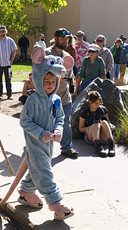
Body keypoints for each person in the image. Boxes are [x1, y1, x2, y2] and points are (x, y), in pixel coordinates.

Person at [18, 47, 74, 220]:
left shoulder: (56, 99)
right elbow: (24, 121)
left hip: (49, 145)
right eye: (46, 80)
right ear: (37, 78)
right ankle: (56, 202)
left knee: (37, 169)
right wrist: (41, 133)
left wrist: (58, 130)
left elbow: (60, 118)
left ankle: (25, 191)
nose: (50, 84)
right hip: (35, 143)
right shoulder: (33, 100)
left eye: (53, 81)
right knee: (44, 170)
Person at [45, 28, 79, 158]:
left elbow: (71, 74)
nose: (65, 41)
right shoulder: (46, 53)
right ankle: (43, 150)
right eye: (62, 38)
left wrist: (73, 87)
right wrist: (56, 76)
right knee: (46, 124)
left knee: (65, 123)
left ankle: (67, 147)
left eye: (67, 39)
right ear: (55, 38)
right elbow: (39, 73)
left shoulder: (67, 56)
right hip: (48, 97)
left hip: (64, 97)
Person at [79, 91, 115, 157]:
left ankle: (111, 145)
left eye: (99, 103)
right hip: (91, 137)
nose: (98, 105)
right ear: (90, 102)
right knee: (96, 124)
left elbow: (108, 122)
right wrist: (91, 127)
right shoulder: (85, 112)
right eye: (96, 103)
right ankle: (98, 147)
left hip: (102, 136)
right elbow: (81, 129)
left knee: (104, 122)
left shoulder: (103, 109)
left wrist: (111, 125)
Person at [0, 26, 17, 100]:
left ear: (5, 32)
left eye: (2, 31)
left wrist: (11, 60)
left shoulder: (10, 40)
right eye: (0, 31)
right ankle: (0, 94)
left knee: (8, 80)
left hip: (7, 64)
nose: (1, 33)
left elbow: (14, 50)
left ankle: (9, 95)